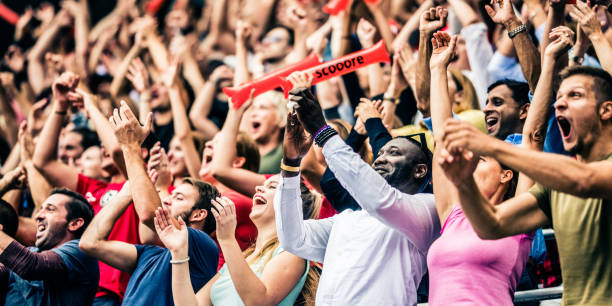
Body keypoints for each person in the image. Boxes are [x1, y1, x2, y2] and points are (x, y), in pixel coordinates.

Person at [438, 65, 612, 305]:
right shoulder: (554, 187)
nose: (559, 104)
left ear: (607, 110)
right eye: (559, 97)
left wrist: (489, 146)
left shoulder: (577, 177)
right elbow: (492, 225)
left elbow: (584, 179)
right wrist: (463, 180)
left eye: (575, 95)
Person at [275, 72, 439, 305]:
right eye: (379, 153)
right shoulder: (347, 219)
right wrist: (291, 163)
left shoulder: (427, 208)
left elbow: (381, 201)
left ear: (420, 171)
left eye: (393, 153)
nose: (380, 159)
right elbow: (294, 239)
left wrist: (323, 132)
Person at [426, 31, 535, 305]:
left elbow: (534, 136)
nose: (471, 164)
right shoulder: (453, 215)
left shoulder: (517, 217)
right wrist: (438, 69)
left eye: (482, 161)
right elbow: (442, 137)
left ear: (507, 174)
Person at [79, 102, 219, 305]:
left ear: (199, 214)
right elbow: (90, 243)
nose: (168, 198)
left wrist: (130, 146)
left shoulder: (201, 245)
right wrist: (125, 194)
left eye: (178, 197)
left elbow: (148, 214)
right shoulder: (149, 253)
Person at [156, 174, 320, 305]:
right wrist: (178, 254)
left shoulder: (291, 253)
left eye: (272, 186)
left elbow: (258, 301)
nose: (258, 188)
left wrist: (227, 239)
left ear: (292, 206)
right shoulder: (242, 259)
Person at [0, 189, 99, 305]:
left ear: (74, 224)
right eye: (40, 209)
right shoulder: (31, 251)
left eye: (50, 209)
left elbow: (31, 265)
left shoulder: (80, 251)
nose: (38, 216)